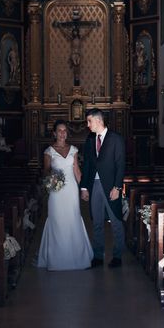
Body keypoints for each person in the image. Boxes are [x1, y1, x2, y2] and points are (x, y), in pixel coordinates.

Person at [37, 120, 93, 271]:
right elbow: (46, 171)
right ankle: (56, 260)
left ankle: (77, 257)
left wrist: (84, 189)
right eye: (59, 130)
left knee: (73, 219)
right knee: (57, 220)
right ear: (54, 133)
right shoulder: (49, 151)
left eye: (64, 130)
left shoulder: (73, 149)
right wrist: (52, 178)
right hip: (56, 191)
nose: (62, 133)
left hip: (71, 191)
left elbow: (77, 171)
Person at [80, 108, 126, 268]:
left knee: (115, 221)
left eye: (89, 121)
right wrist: (84, 187)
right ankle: (98, 256)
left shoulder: (115, 139)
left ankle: (118, 255)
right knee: (97, 222)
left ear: (99, 120)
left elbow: (120, 165)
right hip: (94, 185)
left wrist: (117, 187)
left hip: (111, 186)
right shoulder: (90, 139)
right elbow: (86, 164)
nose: (87, 125)